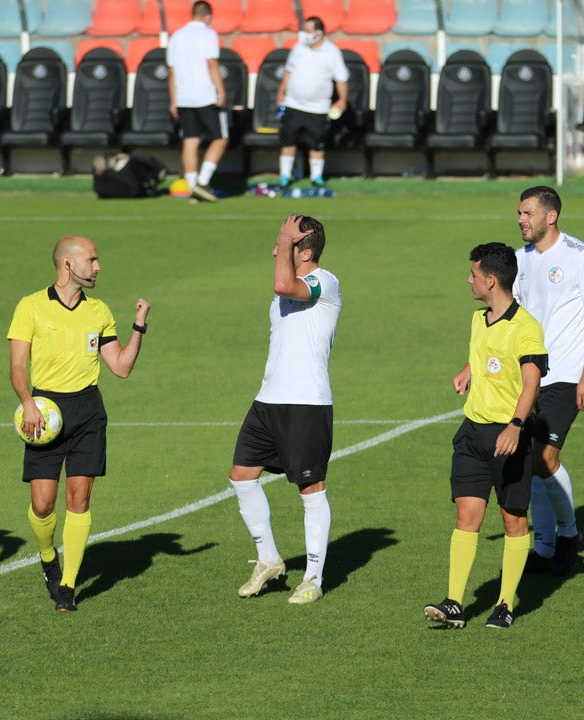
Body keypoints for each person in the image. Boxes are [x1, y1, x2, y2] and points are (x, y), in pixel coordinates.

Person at [8, 235, 151, 612]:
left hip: (88, 410)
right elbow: (17, 365)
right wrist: (27, 404)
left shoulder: (99, 311)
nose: (98, 266)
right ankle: (46, 556)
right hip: (44, 410)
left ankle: (68, 585)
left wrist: (138, 327)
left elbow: (120, 367)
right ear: (68, 265)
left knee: (79, 498)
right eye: (92, 259)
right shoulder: (30, 307)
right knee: (42, 505)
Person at [424, 242, 547, 629]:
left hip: (508, 438)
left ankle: (506, 604)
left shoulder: (526, 328)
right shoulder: (480, 319)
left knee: (513, 521)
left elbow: (532, 382)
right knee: (466, 516)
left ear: (490, 280)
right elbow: (484, 354)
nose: (469, 280)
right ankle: (455, 602)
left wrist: (515, 426)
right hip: (472, 435)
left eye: (473, 275)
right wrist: (468, 370)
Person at [229, 215, 341, 605]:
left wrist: (284, 236)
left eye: (285, 243)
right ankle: (269, 559)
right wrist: (284, 241)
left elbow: (283, 282)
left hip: (306, 403)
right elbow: (281, 286)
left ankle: (312, 577)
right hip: (268, 400)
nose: (275, 249)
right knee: (242, 476)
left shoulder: (324, 282)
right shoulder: (284, 292)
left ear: (305, 252)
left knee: (310, 490)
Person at [514, 185, 584, 576]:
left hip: (567, 374)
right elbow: (512, 317)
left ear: (550, 216)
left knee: (544, 456)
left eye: (527, 213)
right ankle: (544, 545)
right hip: (529, 374)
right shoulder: (519, 259)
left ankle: (569, 535)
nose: (521, 220)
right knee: (528, 459)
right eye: (519, 213)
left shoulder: (579, 256)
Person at [275, 16, 349, 189]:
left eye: (308, 31)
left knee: (317, 144)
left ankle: (316, 177)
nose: (304, 35)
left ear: (319, 33)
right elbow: (288, 71)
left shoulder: (332, 52)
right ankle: (285, 176)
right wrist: (281, 92)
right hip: (293, 104)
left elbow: (341, 79)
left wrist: (342, 100)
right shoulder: (298, 48)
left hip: (318, 108)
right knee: (288, 141)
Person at [167, 0, 228, 203]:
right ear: (208, 16)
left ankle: (192, 188)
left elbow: (172, 72)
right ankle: (202, 182)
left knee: (190, 141)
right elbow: (212, 64)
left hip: (183, 96)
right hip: (204, 96)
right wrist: (221, 91)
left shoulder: (177, 35)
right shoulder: (208, 34)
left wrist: (174, 100)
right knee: (220, 138)